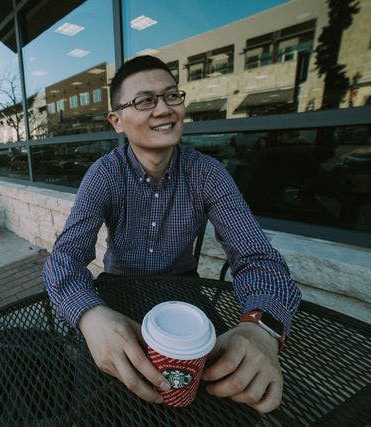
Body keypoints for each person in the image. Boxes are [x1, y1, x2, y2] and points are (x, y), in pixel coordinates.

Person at [42, 55, 301, 413]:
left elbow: (257, 257)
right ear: (116, 121)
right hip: (118, 290)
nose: (163, 109)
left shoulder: (207, 173)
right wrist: (88, 314)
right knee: (101, 401)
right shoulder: (104, 174)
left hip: (184, 292)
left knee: (224, 400)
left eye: (171, 96)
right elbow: (65, 256)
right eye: (145, 100)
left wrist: (262, 328)